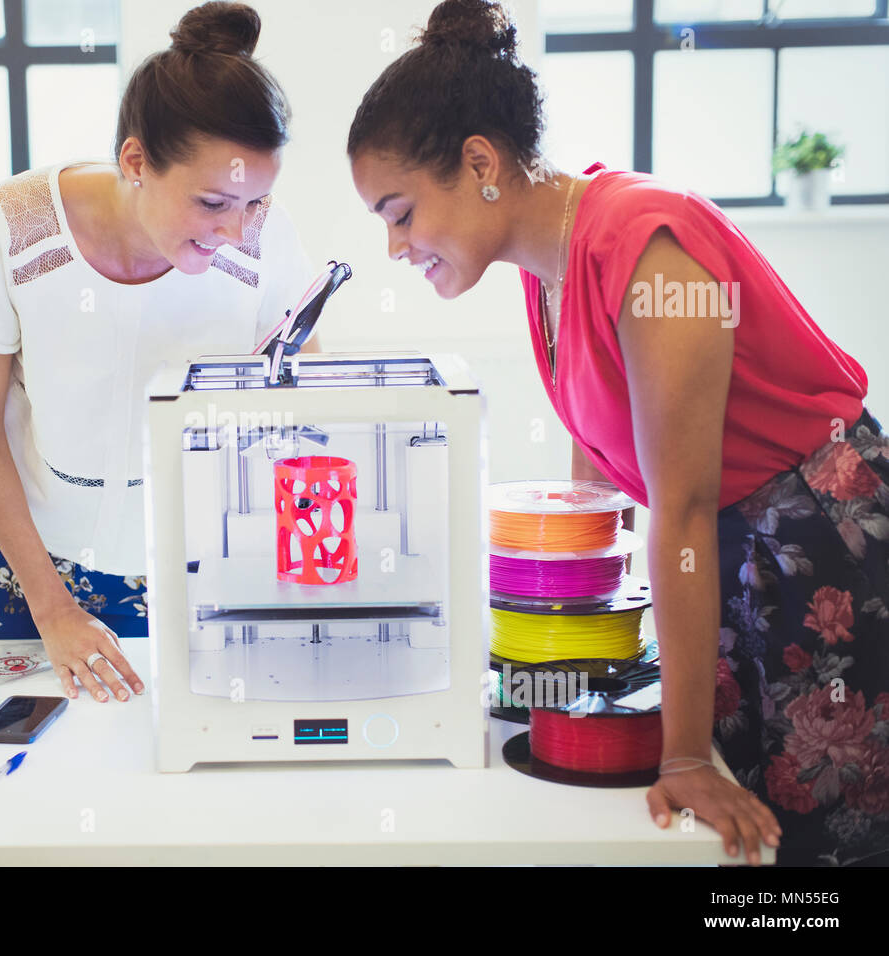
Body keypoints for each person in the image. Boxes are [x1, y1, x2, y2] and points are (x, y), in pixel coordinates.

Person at [348, 0, 887, 866]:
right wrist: (570, 639)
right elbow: (599, 479)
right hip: (726, 558)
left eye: (400, 212)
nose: (393, 246)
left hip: (820, 549)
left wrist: (678, 753)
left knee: (817, 851)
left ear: (479, 163)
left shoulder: (645, 243)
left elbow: (679, 506)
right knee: (743, 846)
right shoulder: (543, 268)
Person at [0, 2, 316, 704]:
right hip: (4, 536)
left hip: (161, 550)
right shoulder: (9, 230)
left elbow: (300, 413)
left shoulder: (269, 243)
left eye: (257, 201)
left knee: (137, 746)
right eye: (212, 203)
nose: (238, 230)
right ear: (135, 160)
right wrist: (52, 610)